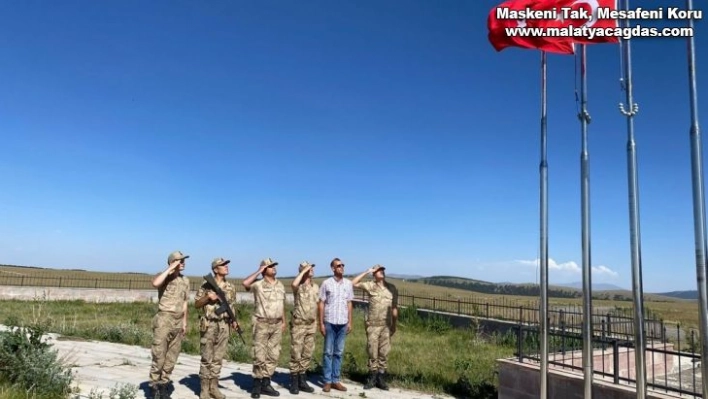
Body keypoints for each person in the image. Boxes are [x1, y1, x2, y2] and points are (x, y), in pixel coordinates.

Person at [194, 257, 240, 399]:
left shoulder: (231, 287)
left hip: (224, 325)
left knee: (218, 358)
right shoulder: (207, 285)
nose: (226, 266)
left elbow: (232, 306)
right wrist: (208, 298)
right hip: (209, 324)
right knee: (207, 357)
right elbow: (196, 304)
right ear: (215, 269)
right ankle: (204, 390)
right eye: (223, 265)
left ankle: (214, 387)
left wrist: (234, 321)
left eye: (227, 264)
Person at [148, 250, 191, 399]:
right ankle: (154, 385)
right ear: (172, 262)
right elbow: (155, 283)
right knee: (159, 354)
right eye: (179, 260)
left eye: (183, 260)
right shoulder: (164, 276)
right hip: (164, 318)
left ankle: (164, 384)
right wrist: (170, 269)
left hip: (178, 320)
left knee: (172, 355)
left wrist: (184, 322)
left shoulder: (185, 280)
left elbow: (185, 302)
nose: (183, 262)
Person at [242, 258, 287, 398]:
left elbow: (282, 304)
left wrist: (284, 321)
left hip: (277, 323)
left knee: (273, 354)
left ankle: (266, 384)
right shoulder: (258, 285)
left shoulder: (280, 285)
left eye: (274, 265)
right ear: (264, 269)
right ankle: (256, 384)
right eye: (270, 266)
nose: (274, 268)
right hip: (262, 323)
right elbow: (245, 283)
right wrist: (259, 271)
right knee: (259, 355)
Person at [351, 264, 398, 390]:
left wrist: (394, 324)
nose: (381, 272)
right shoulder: (370, 285)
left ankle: (381, 378)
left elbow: (394, 308)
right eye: (378, 270)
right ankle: (372, 377)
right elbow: (353, 283)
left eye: (382, 269)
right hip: (373, 325)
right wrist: (367, 271)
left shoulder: (392, 288)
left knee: (384, 352)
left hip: (386, 326)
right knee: (372, 352)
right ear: (374, 274)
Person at [318, 257, 354, 392]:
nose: (341, 267)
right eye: (338, 265)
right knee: (328, 352)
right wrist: (321, 323)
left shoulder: (348, 284)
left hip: (343, 323)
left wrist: (350, 321)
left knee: (339, 352)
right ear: (333, 268)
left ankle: (336, 380)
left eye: (343, 265)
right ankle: (327, 381)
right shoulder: (326, 283)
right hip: (330, 322)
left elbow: (349, 303)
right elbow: (321, 303)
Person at [288, 261, 319, 394]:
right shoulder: (298, 286)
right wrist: (303, 271)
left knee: (307, 353)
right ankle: (294, 381)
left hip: (311, 324)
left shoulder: (316, 287)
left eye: (311, 268)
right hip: (299, 324)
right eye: (308, 268)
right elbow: (293, 284)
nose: (311, 270)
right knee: (296, 352)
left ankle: (302, 379)